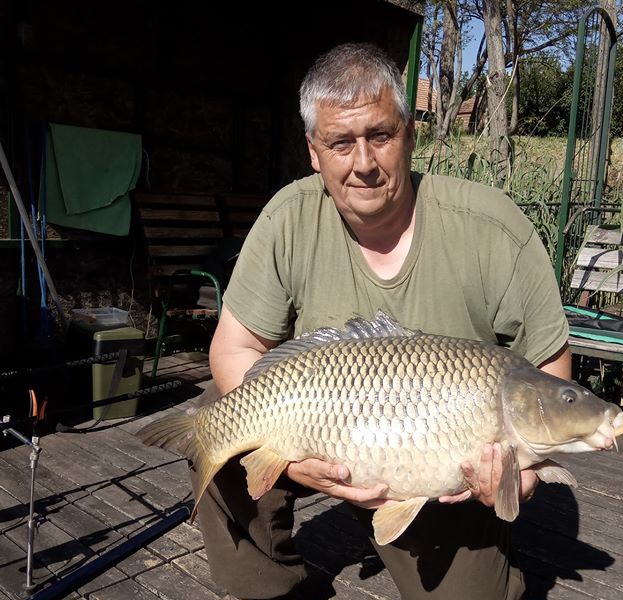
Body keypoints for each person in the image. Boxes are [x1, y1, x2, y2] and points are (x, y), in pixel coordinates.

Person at [192, 42, 571, 600]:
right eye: (340, 143)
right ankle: (268, 589)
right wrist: (292, 464)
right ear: (314, 152)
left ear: (410, 135)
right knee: (219, 418)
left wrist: (524, 474)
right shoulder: (287, 219)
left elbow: (548, 369)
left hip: (442, 469)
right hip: (317, 428)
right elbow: (233, 349)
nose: (364, 163)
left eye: (381, 135)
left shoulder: (494, 228)